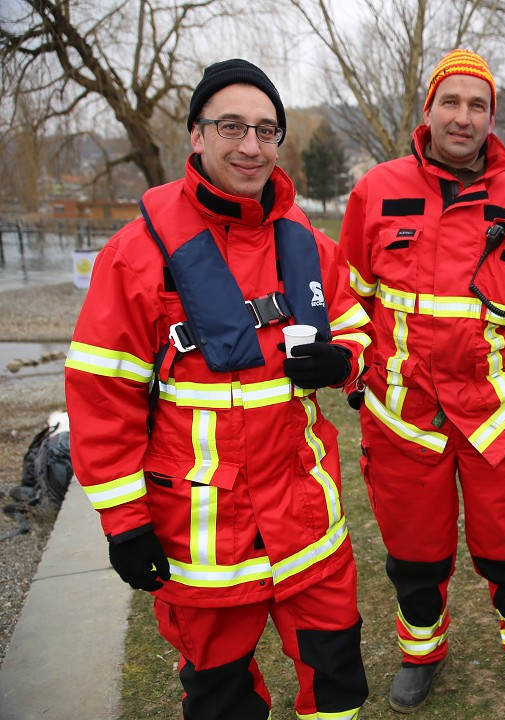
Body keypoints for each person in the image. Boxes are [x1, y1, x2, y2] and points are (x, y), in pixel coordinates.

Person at [64, 59, 372, 720]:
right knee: (221, 700)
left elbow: (360, 332)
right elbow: (100, 398)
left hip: (308, 526)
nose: (251, 146)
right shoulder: (135, 254)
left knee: (339, 683)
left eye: (267, 130)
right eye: (232, 126)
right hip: (201, 541)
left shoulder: (311, 247)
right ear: (197, 138)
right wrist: (124, 525)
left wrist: (343, 359)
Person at [338, 49, 505, 712]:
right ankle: (421, 654)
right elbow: (349, 300)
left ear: (492, 118)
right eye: (452, 102)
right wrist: (360, 381)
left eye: (478, 105)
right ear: (428, 110)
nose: (463, 117)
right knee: (415, 554)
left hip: (498, 412)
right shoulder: (375, 190)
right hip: (404, 416)